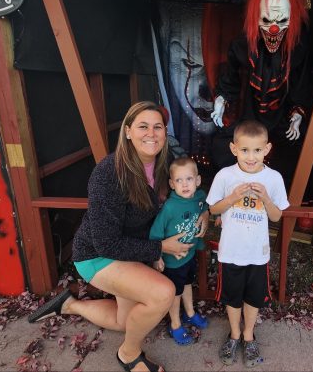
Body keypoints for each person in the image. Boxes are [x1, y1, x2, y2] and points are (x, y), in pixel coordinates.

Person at [28, 101, 208, 372]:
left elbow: (191, 194)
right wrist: (159, 249)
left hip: (133, 251)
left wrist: (203, 214)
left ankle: (69, 305)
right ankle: (129, 354)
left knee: (128, 321)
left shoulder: (167, 164)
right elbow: (106, 243)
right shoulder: (109, 173)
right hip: (98, 255)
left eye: (157, 127)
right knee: (162, 293)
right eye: (143, 126)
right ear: (127, 131)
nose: (151, 133)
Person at [210, 0, 313, 187]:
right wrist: (221, 100)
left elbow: (300, 86)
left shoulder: (297, 49)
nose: (274, 29)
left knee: (293, 147)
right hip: (250, 112)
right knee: (224, 145)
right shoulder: (241, 46)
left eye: (282, 20)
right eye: (267, 19)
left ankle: (275, 191)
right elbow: (230, 80)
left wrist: (297, 115)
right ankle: (240, 187)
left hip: (281, 114)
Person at [206, 120, 290, 368]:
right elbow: (213, 209)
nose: (251, 157)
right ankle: (234, 334)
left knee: (253, 297)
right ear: (234, 149)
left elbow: (277, 217)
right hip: (231, 251)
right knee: (232, 297)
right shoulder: (225, 175)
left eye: (257, 150)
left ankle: (248, 335)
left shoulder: (273, 178)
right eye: (244, 150)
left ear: (267, 149)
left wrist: (265, 198)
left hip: (257, 253)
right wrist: (233, 197)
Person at [149, 157, 210, 346]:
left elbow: (206, 205)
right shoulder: (170, 207)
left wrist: (206, 213)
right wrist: (156, 257)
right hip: (172, 261)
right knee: (175, 293)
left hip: (189, 256)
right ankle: (175, 324)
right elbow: (155, 234)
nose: (185, 185)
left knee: (187, 284)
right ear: (171, 184)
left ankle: (190, 313)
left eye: (189, 179)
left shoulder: (199, 197)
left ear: (197, 181)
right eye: (179, 180)